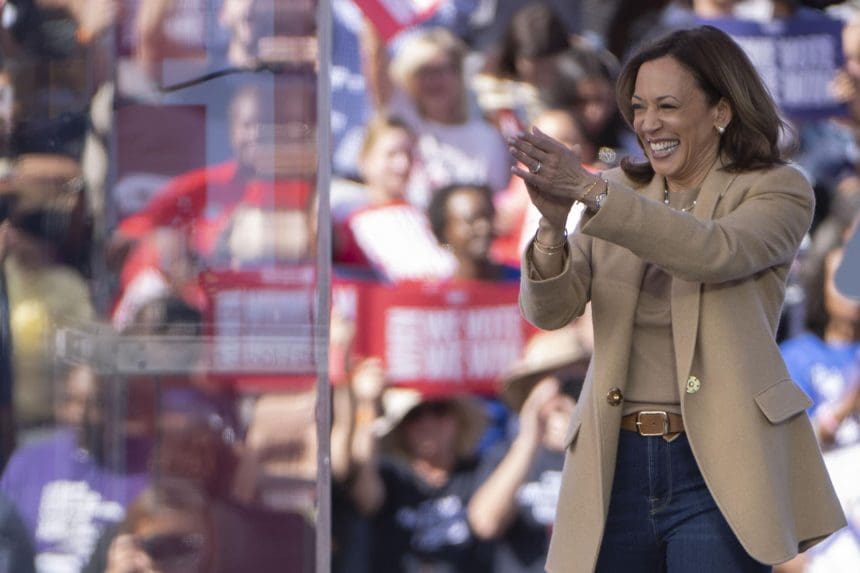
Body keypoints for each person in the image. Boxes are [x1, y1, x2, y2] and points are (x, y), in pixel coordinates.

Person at [509, 25, 845, 572]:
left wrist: (592, 192)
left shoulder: (777, 189)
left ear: (721, 111)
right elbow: (551, 311)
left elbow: (712, 252)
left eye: (667, 105)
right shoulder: (617, 190)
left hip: (720, 465)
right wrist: (551, 228)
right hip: (613, 463)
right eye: (639, 107)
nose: (647, 123)